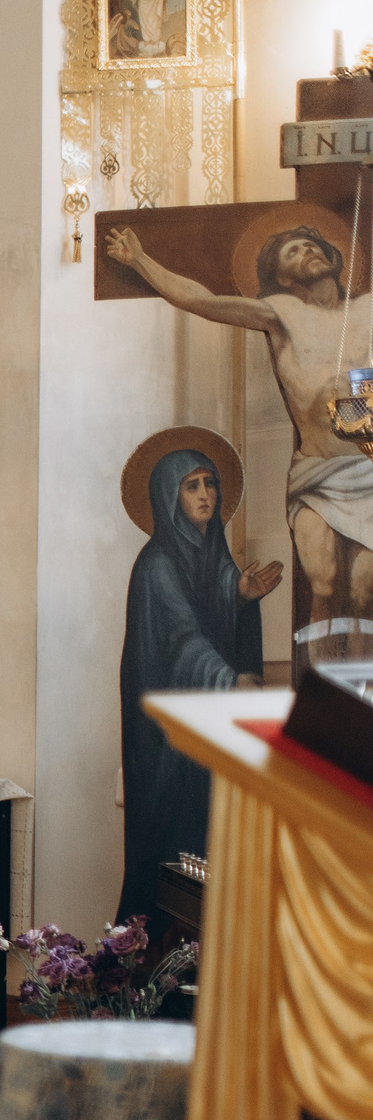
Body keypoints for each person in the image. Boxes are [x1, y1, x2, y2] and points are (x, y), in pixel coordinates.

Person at [107, 222, 366, 661]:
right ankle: (321, 692)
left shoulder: (369, 309)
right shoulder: (283, 312)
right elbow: (203, 301)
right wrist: (140, 261)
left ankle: (361, 701)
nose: (308, 250)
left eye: (312, 244)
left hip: (368, 469)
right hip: (318, 474)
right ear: (282, 277)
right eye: (293, 251)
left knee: (365, 587)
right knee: (322, 580)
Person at [117, 449, 268, 921]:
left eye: (211, 484)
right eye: (192, 486)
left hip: (204, 730)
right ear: (169, 495)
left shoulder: (212, 553)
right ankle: (149, 967)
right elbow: (182, 642)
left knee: (212, 849)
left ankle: (212, 966)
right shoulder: (156, 563)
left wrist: (239, 594)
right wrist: (228, 681)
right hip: (168, 743)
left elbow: (215, 595)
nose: (206, 495)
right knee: (172, 851)